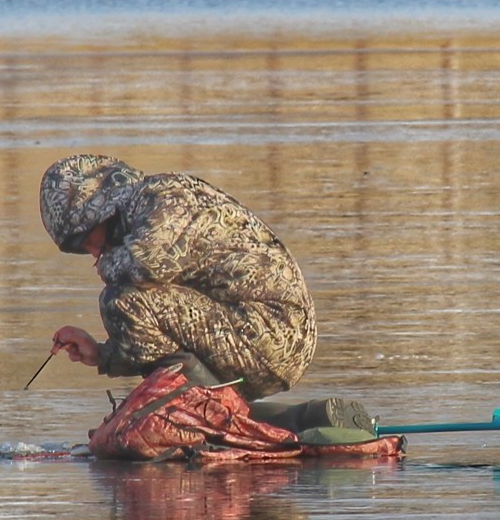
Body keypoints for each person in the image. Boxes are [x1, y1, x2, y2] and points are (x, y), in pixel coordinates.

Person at [39, 154, 373, 434]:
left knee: (122, 300)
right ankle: (287, 420)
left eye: (84, 237)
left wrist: (108, 265)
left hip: (271, 330)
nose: (92, 250)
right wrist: (100, 354)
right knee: (128, 299)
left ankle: (200, 412)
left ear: (99, 205)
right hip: (257, 334)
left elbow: (147, 264)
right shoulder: (149, 208)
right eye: (79, 249)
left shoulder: (162, 196)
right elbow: (160, 324)